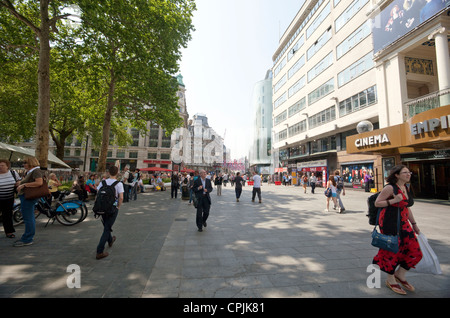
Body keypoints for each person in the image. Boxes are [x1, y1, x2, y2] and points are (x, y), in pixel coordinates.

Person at [373, 165, 422, 295]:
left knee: (415, 250)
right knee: (392, 250)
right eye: (405, 172)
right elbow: (377, 203)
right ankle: (390, 279)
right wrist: (394, 200)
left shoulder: (405, 187)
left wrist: (414, 224)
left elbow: (407, 207)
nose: (408, 174)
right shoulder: (390, 187)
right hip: (390, 223)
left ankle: (400, 274)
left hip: (404, 223)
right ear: (397, 175)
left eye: (409, 172)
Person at [95, 165, 124, 260]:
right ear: (117, 173)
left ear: (108, 172)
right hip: (112, 209)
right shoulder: (118, 184)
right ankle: (99, 251)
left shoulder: (103, 182)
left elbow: (97, 194)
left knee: (106, 226)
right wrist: (118, 207)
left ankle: (110, 240)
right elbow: (121, 197)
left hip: (102, 208)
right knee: (107, 229)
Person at [14, 157, 43, 247]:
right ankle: (26, 237)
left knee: (28, 218)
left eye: (25, 162)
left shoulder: (36, 170)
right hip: (26, 196)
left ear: (31, 163)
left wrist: (24, 185)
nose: (24, 164)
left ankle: (27, 239)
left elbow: (39, 183)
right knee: (28, 217)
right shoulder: (31, 171)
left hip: (28, 196)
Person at [0, 159, 21, 239]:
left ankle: (9, 232)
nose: (0, 167)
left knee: (7, 215)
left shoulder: (13, 173)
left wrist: (19, 183)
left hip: (9, 198)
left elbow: (19, 181)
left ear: (7, 166)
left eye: (2, 165)